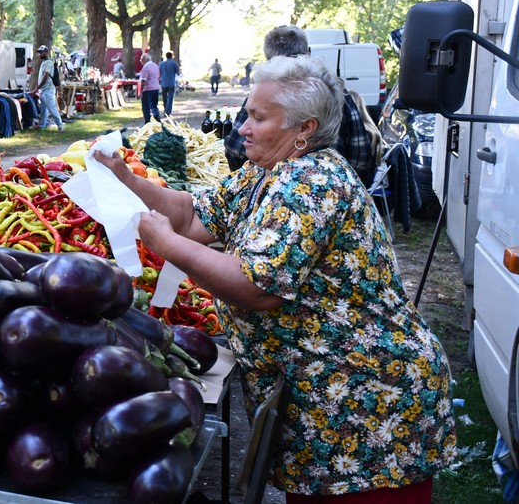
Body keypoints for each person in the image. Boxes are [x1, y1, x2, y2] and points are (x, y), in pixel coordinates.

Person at [94, 55, 457, 501]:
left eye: (257, 117)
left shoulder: (313, 183)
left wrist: (165, 245)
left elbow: (255, 287)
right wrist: (126, 177)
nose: (242, 128)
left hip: (365, 399)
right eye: (247, 113)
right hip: (323, 394)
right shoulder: (264, 172)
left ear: (304, 129)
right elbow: (191, 217)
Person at [225, 25, 379, 185]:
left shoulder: (299, 192)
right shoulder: (339, 93)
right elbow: (360, 155)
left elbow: (234, 148)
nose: (245, 128)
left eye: (258, 118)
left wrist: (252, 181)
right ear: (307, 52)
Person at [32, 45, 64, 132]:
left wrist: (38, 87)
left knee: (52, 108)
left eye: (41, 52)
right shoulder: (44, 62)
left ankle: (60, 126)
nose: (40, 54)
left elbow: (46, 76)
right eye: (39, 53)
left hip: (48, 89)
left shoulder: (48, 63)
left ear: (46, 52)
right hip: (44, 90)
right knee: (44, 110)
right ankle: (42, 125)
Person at [137, 53, 161, 123]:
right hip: (156, 88)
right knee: (154, 105)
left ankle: (147, 121)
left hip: (147, 89)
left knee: (146, 106)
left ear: (145, 60)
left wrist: (140, 91)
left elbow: (143, 80)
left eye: (141, 60)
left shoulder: (145, 67)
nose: (140, 61)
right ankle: (157, 118)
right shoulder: (155, 66)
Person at [158, 52, 179, 117]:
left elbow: (159, 73)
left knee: (164, 98)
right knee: (170, 98)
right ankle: (167, 112)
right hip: (171, 83)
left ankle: (165, 109)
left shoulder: (161, 64)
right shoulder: (174, 63)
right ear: (172, 56)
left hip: (163, 83)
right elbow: (178, 72)